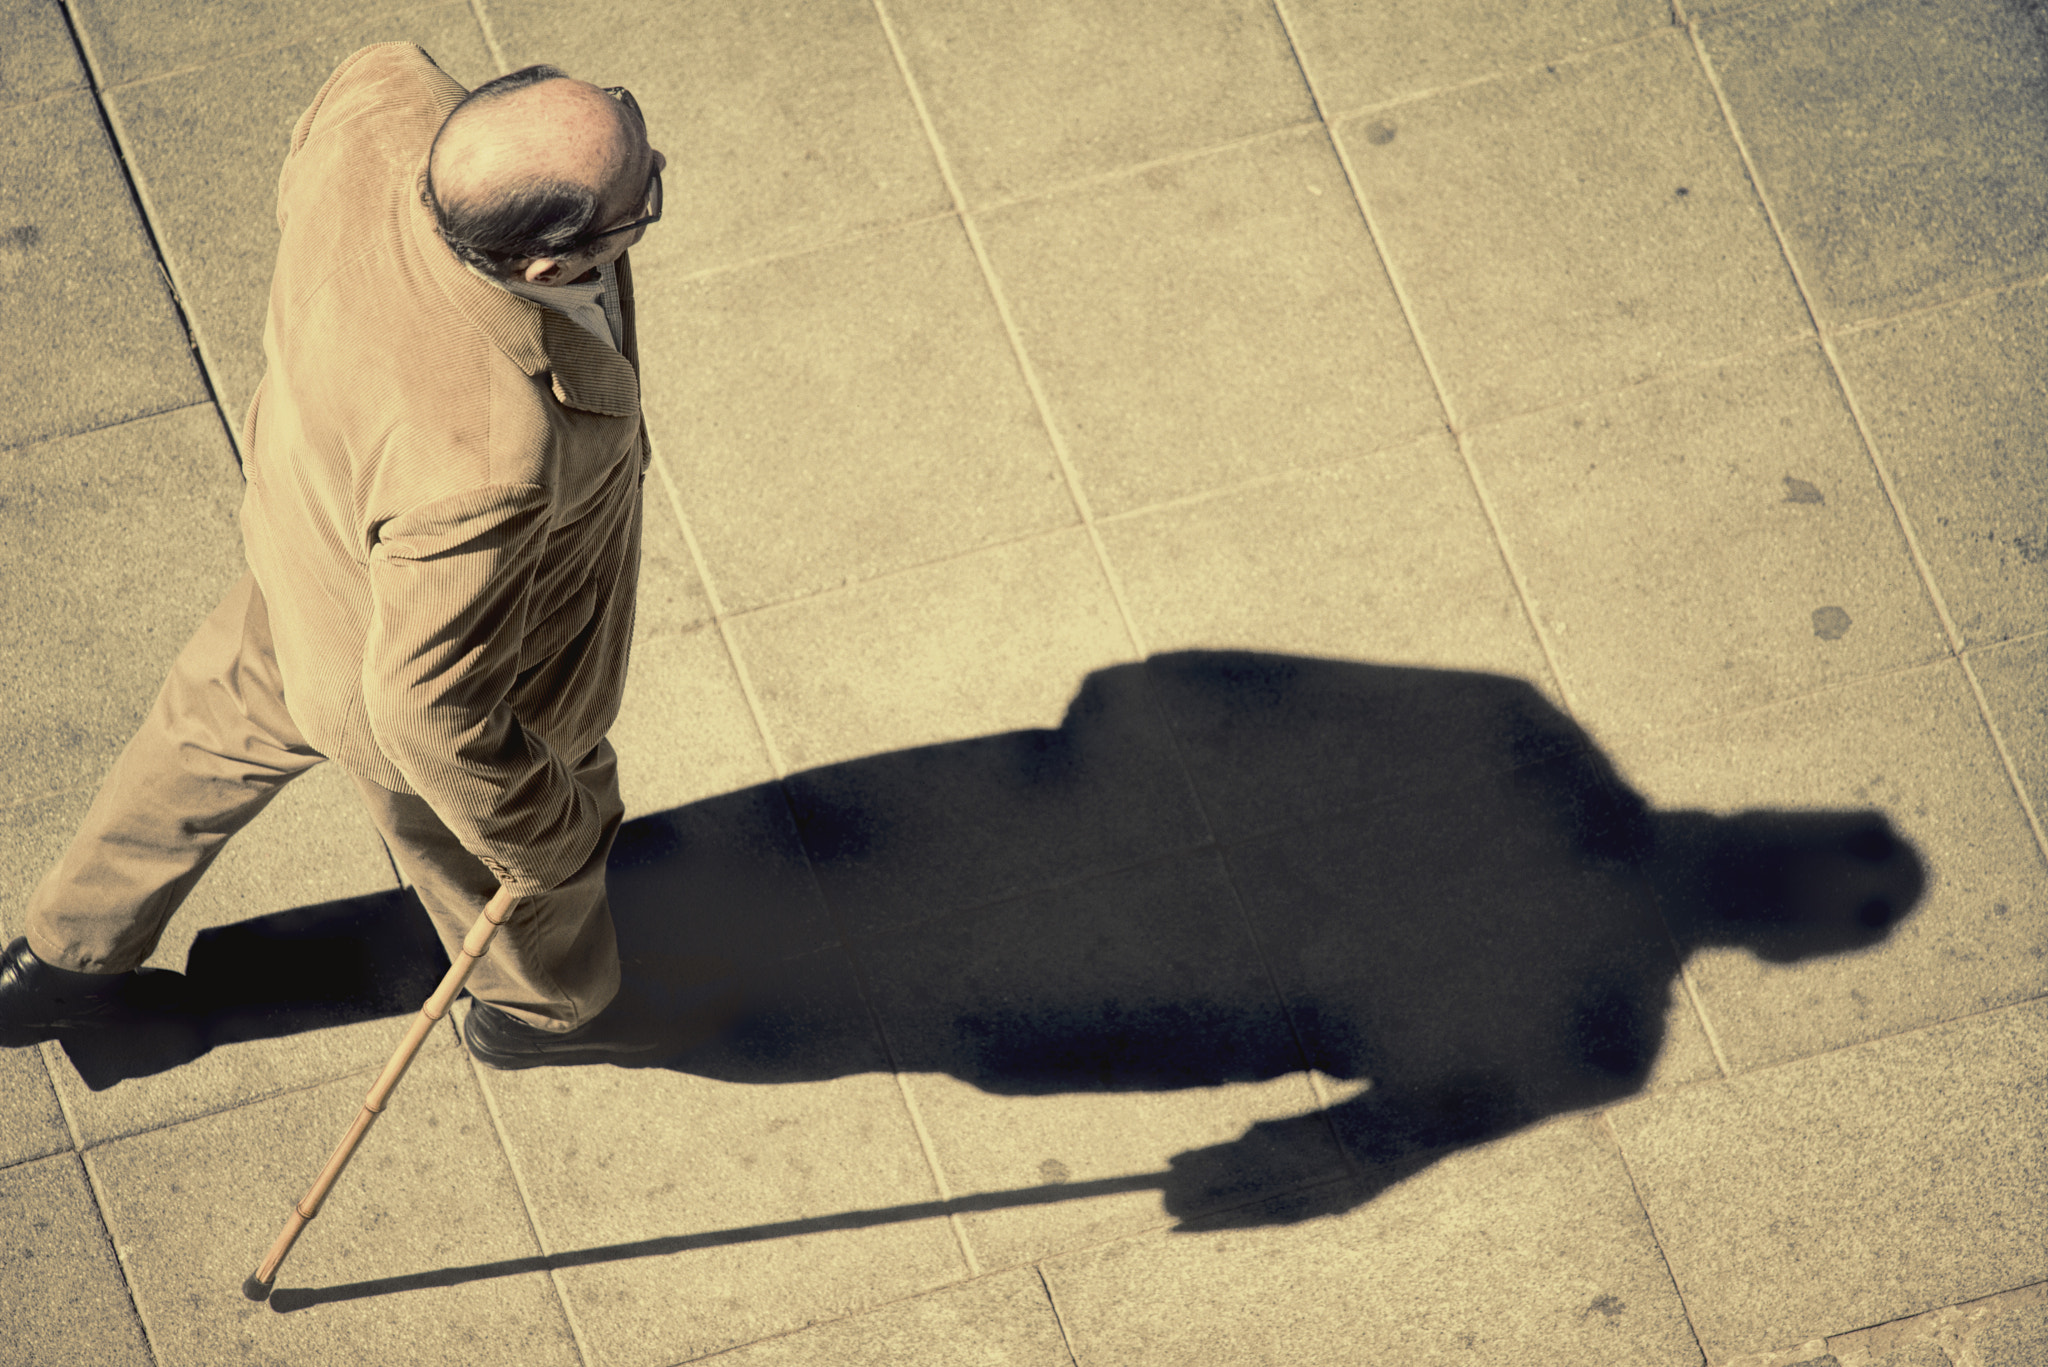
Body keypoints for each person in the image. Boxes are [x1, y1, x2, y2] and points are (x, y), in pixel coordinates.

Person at [0, 44, 669, 1069]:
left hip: (308, 536)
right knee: (499, 850)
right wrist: (556, 838)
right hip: (420, 668)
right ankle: (542, 1012)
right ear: (545, 267)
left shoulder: (385, 96)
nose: (656, 161)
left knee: (206, 727)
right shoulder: (494, 456)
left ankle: (64, 961)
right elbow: (428, 711)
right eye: (643, 193)